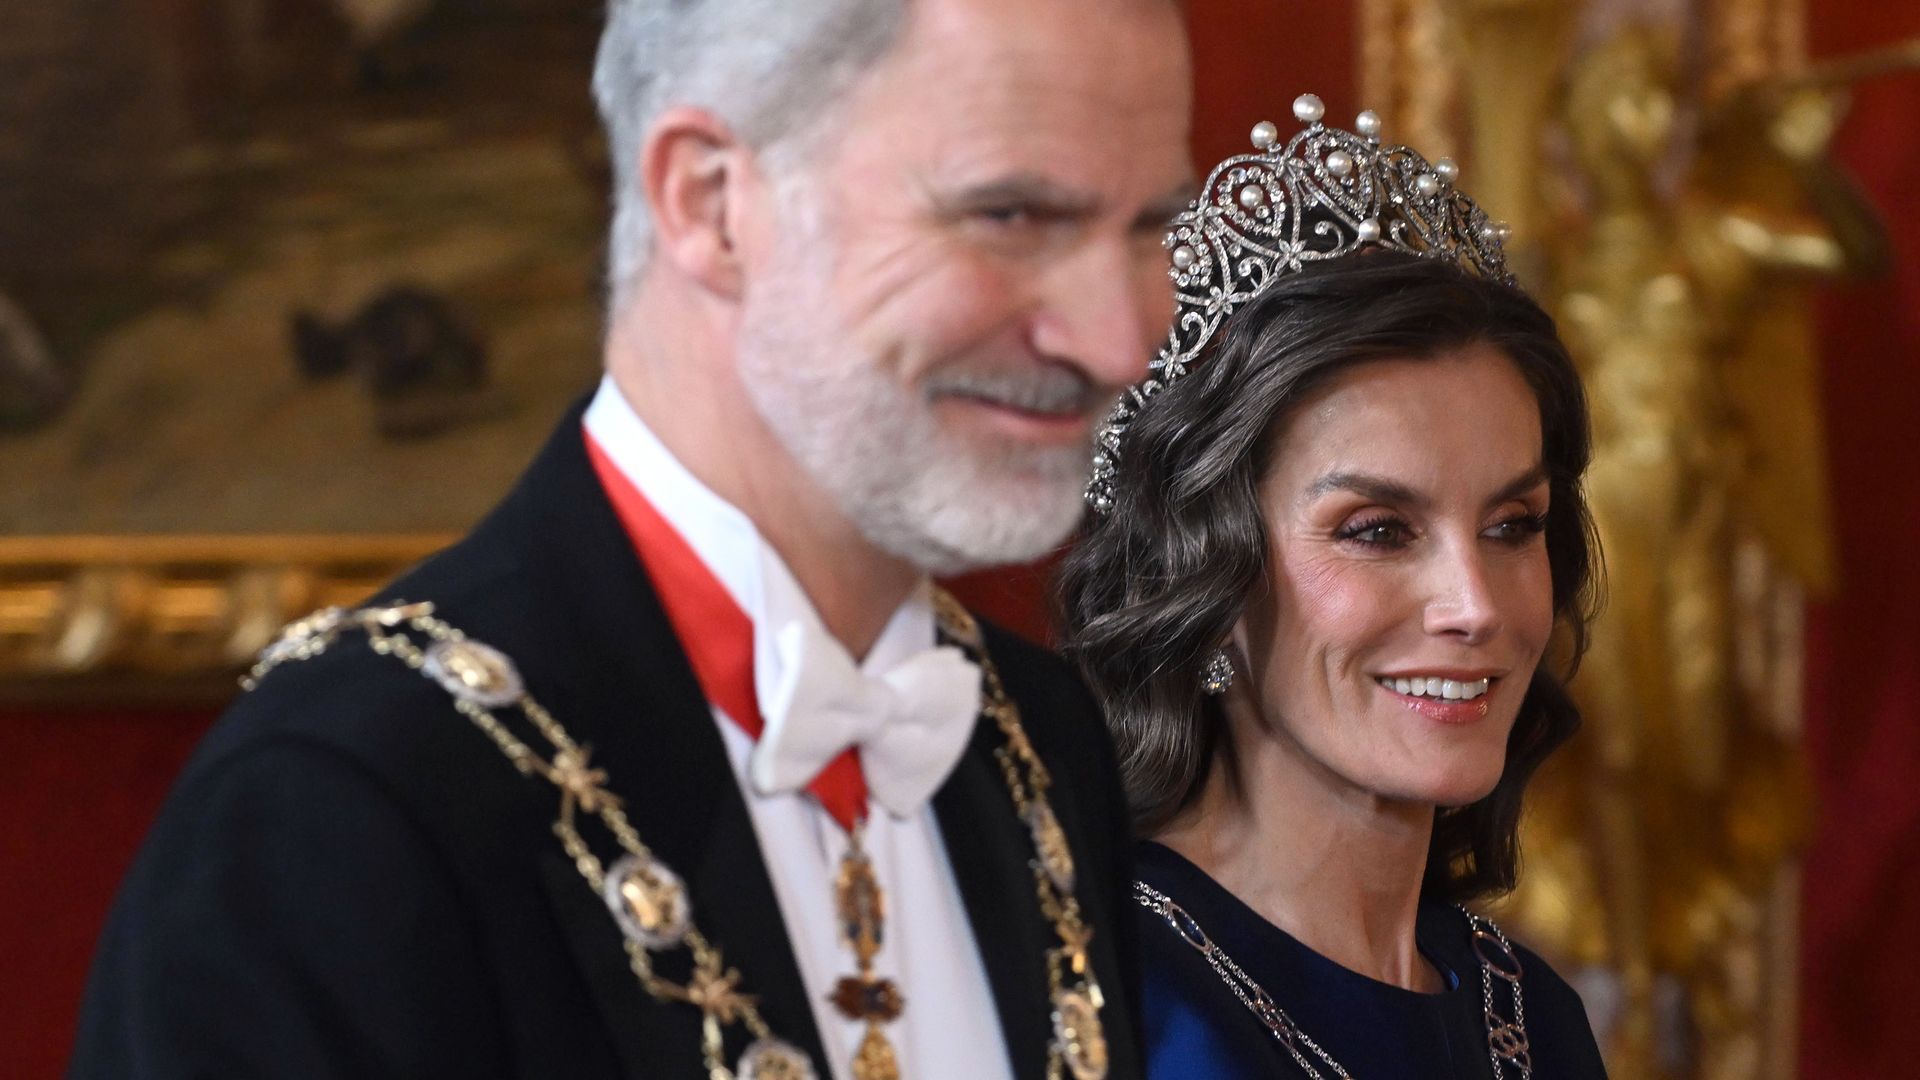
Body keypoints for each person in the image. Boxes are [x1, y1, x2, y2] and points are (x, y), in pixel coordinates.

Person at [72, 1, 1195, 1077]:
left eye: (1151, 226)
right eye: (1011, 217)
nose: (1115, 340)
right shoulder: (333, 812)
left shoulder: (1042, 742)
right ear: (710, 204)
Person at [1058, 97, 1609, 1077]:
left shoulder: (1529, 1017)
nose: (1474, 603)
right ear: (1207, 570)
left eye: (1510, 527)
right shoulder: (1102, 997)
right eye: (1378, 531)